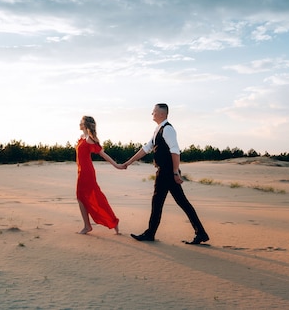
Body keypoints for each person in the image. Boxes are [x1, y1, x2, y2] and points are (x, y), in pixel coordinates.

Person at [123, 103, 209, 244]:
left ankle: (150, 233)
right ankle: (201, 233)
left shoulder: (168, 129)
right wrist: (128, 162)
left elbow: (175, 151)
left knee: (160, 202)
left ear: (162, 114)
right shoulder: (158, 129)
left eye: (154, 112)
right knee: (179, 202)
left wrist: (175, 172)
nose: (152, 114)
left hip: (167, 172)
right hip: (165, 172)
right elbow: (146, 148)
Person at [76, 115, 123, 235]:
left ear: (86, 125)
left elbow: (103, 154)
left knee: (94, 197)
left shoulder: (89, 140)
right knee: (81, 198)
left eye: (81, 122)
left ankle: (110, 222)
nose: (79, 124)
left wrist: (116, 165)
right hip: (81, 171)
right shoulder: (82, 137)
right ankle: (87, 225)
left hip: (87, 173)